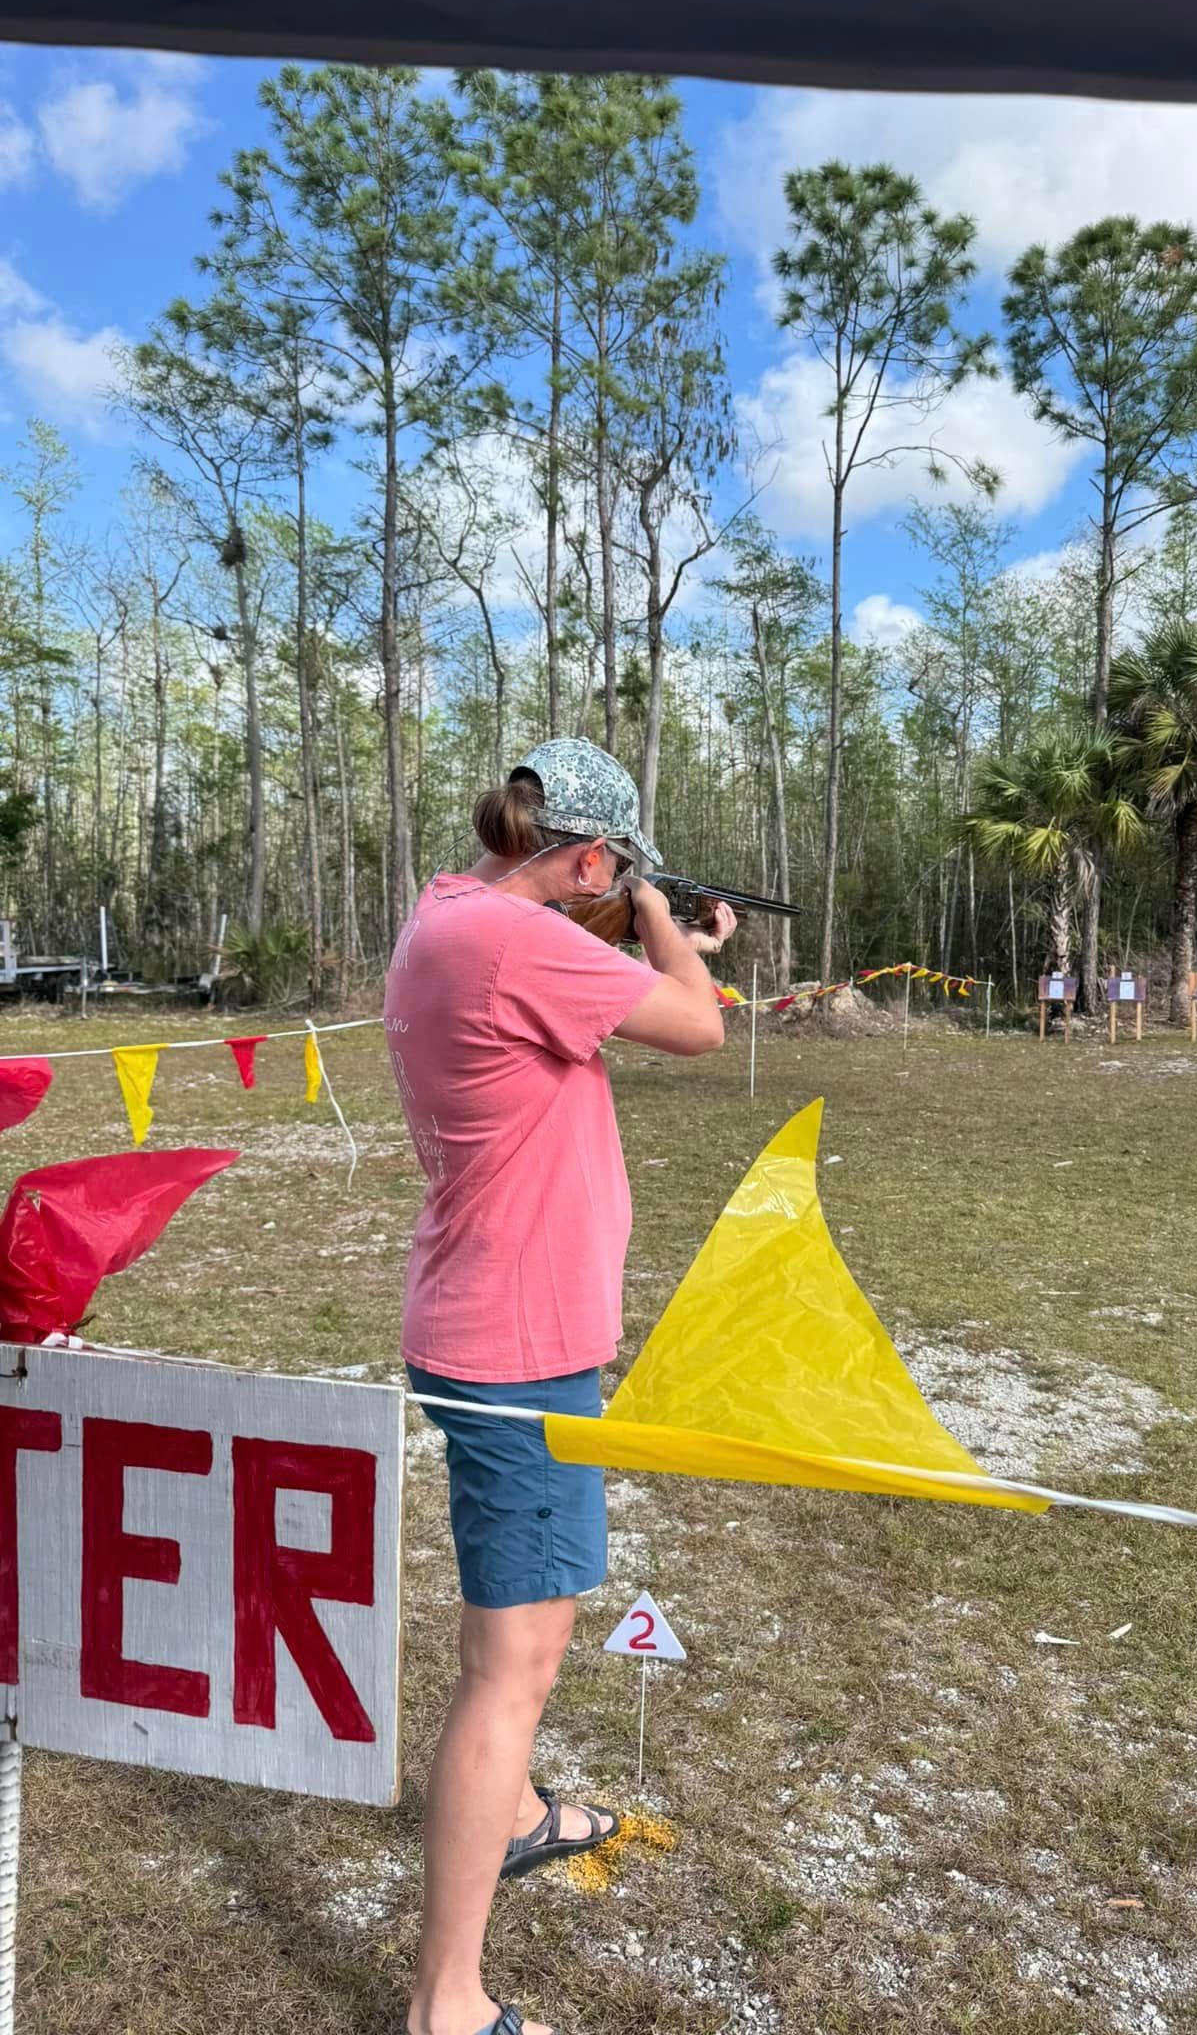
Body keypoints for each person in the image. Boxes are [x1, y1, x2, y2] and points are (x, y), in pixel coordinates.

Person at [384, 738, 737, 2035]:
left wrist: (647, 916)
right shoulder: (520, 943)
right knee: (510, 1670)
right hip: (515, 1351)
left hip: (497, 1327)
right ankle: (446, 2002)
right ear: (587, 859)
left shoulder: (452, 916)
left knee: (525, 1641)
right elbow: (696, 1023)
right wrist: (659, 922)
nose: (616, 891)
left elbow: (601, 1016)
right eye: (611, 871)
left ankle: (523, 1815)